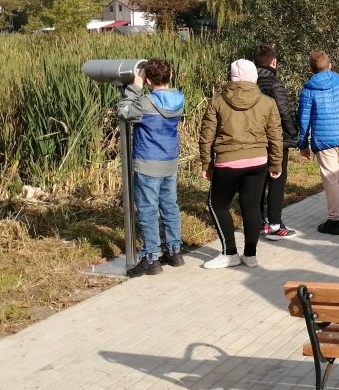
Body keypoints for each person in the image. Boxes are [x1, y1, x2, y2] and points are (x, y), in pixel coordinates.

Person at [199, 59, 283, 268]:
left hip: (227, 162)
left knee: (217, 205)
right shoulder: (267, 102)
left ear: (232, 77)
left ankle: (229, 253)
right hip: (258, 161)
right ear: (254, 77)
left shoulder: (217, 100)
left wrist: (206, 163)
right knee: (252, 206)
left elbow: (206, 135)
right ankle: (250, 255)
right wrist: (276, 164)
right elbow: (275, 136)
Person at [117, 58, 186, 277]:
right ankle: (174, 252)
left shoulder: (145, 103)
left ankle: (151, 258)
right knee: (169, 206)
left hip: (148, 163)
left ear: (147, 80)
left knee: (148, 210)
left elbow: (123, 111)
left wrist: (134, 87)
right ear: (170, 76)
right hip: (169, 161)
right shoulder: (179, 98)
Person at [298, 50, 339, 235]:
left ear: (311, 69)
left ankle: (334, 220)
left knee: (330, 180)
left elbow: (303, 119)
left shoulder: (308, 90)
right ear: (330, 66)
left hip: (324, 140)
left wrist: (302, 143)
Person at [253, 45, 299, 239]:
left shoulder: (250, 84)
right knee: (277, 180)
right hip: (276, 140)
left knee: (258, 183)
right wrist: (293, 133)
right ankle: (275, 225)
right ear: (274, 62)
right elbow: (284, 111)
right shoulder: (275, 84)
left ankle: (259, 223)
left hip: (255, 141)